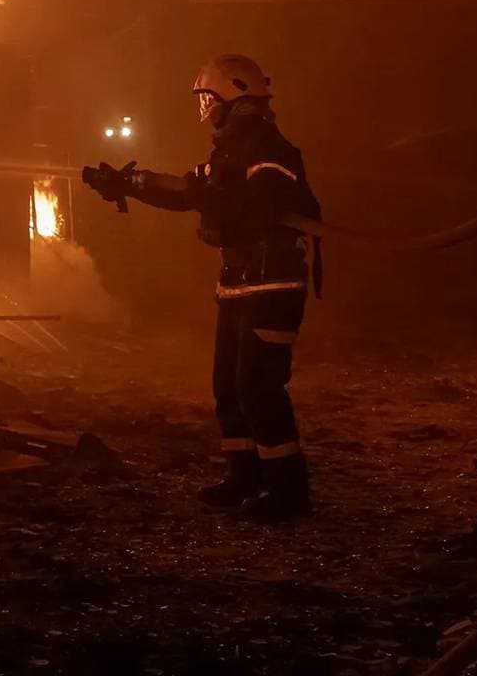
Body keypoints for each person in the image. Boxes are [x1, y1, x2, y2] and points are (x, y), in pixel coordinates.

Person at [83, 55, 321, 521]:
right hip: (238, 282)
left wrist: (207, 196)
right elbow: (185, 190)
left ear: (234, 97)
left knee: (259, 387)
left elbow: (258, 206)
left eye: (210, 98)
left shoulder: (269, 150)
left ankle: (289, 493)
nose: (206, 108)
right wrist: (127, 183)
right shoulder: (229, 152)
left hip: (272, 282)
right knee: (228, 386)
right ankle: (246, 477)